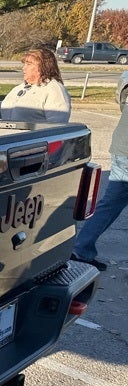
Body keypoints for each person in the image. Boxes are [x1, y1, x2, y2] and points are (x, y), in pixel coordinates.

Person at [71, 105, 128, 271]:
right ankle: (81, 248)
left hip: (122, 149)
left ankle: (81, 249)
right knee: (112, 202)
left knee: (111, 203)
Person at [0, 48, 71, 123]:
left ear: (44, 67)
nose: (23, 68)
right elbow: (5, 112)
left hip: (33, 149)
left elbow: (57, 128)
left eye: (29, 64)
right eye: (24, 64)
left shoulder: (54, 90)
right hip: (11, 145)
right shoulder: (20, 88)